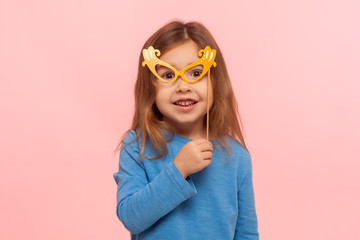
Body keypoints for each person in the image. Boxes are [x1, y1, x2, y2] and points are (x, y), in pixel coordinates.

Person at [113, 20, 259, 240]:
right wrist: (178, 170)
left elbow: (246, 233)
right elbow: (131, 218)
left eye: (195, 73)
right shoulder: (137, 146)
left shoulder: (236, 157)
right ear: (150, 87)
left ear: (215, 83)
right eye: (168, 75)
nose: (183, 86)